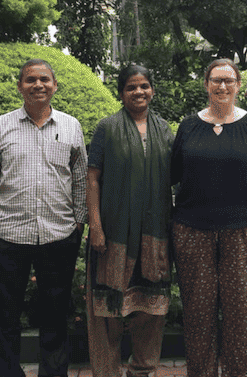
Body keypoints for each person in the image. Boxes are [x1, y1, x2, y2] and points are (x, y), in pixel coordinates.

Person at [171, 58, 247, 377]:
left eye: (229, 81)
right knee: (198, 314)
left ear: (238, 85)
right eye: (216, 80)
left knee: (240, 316)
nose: (222, 86)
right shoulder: (189, 126)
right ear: (206, 84)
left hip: (243, 234)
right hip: (192, 232)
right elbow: (171, 173)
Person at [0, 59, 88, 377]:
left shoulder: (71, 126)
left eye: (44, 79)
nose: (38, 85)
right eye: (30, 80)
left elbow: (81, 178)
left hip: (58, 235)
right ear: (19, 86)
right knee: (4, 315)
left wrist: (78, 226)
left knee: (56, 314)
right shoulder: (0, 126)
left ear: (55, 85)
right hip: (7, 234)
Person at [86, 64, 174, 377]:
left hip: (153, 231)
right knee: (108, 309)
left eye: (144, 86)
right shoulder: (107, 128)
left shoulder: (164, 129)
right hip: (113, 233)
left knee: (151, 307)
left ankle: (142, 368)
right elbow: (92, 177)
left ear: (152, 90)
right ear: (121, 92)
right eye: (131, 87)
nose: (138, 92)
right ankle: (107, 371)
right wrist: (95, 225)